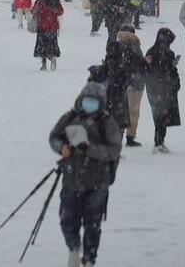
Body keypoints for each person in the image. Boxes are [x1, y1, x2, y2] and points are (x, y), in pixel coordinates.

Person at [49, 82, 122, 267]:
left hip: (97, 183)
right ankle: (74, 248)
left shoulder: (107, 122)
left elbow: (114, 150)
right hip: (71, 179)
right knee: (67, 219)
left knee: (92, 225)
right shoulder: (70, 117)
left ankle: (89, 259)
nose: (89, 105)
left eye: (94, 102)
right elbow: (54, 137)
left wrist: (90, 149)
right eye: (87, 101)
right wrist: (62, 148)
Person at [143, 27, 180, 153]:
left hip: (153, 89)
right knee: (163, 116)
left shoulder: (151, 51)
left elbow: (146, 70)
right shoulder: (168, 54)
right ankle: (159, 142)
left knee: (158, 116)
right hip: (164, 88)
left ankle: (159, 141)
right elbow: (169, 71)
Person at [31, 0, 64, 71]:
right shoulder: (55, 1)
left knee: (42, 46)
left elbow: (33, 11)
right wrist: (54, 10)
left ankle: (44, 63)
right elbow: (60, 12)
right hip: (52, 27)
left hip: (42, 27)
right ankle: (52, 58)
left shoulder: (39, 2)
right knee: (52, 44)